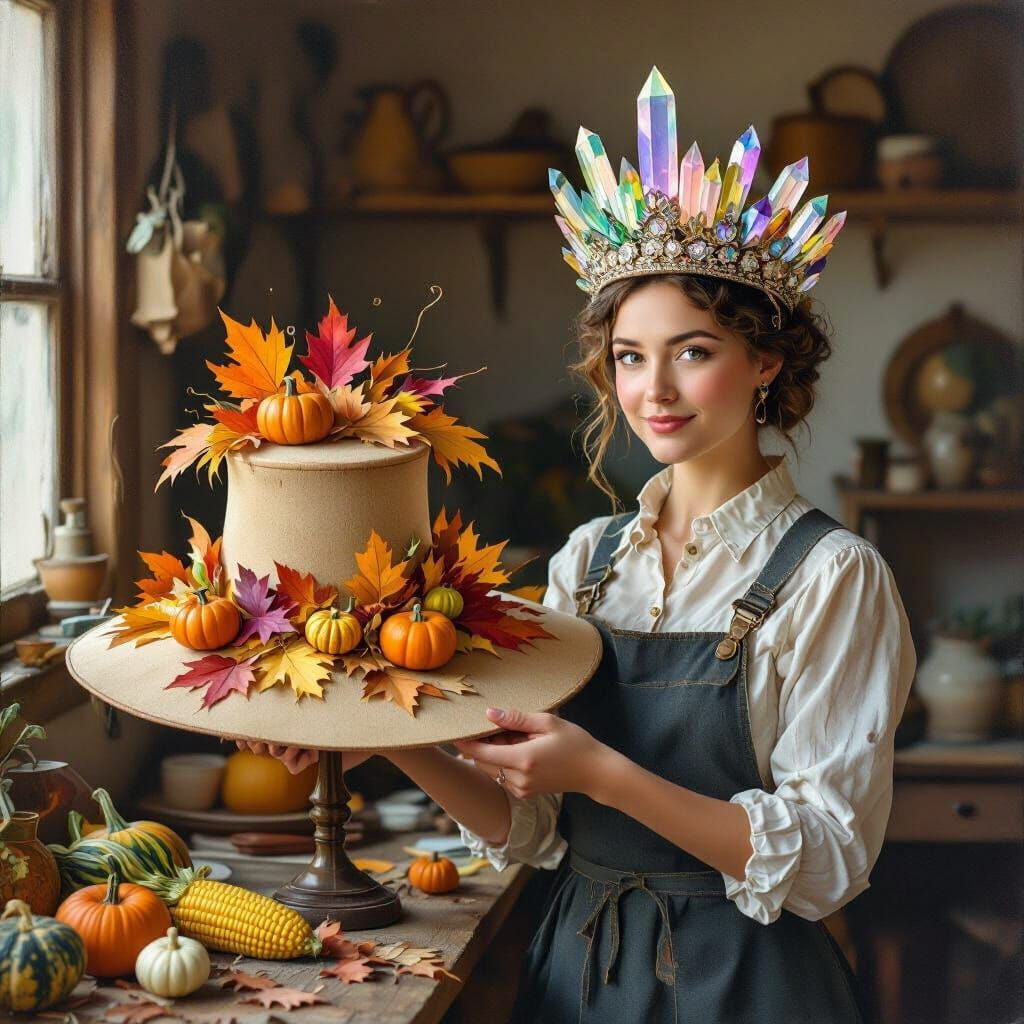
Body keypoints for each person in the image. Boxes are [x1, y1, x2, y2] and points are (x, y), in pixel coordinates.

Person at [236, 69, 915, 1023]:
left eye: (694, 349)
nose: (655, 391)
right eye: (631, 357)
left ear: (766, 363)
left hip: (751, 989)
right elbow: (530, 824)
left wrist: (601, 770)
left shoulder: (833, 577)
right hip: (577, 977)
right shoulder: (589, 565)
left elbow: (825, 865)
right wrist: (376, 732)